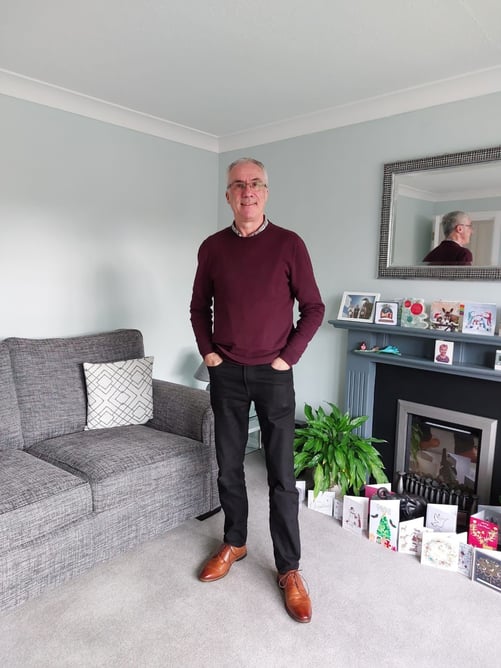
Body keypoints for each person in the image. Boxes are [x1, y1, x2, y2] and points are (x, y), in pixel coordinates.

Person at [190, 157, 325, 624]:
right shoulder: (212, 247)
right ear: (227, 195)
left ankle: (289, 569)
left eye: (255, 184)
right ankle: (235, 541)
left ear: (266, 192)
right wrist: (208, 352)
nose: (246, 191)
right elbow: (197, 307)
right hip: (225, 373)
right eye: (237, 185)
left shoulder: (290, 244)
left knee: (281, 475)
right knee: (228, 465)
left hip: (274, 374)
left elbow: (312, 308)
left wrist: (288, 357)